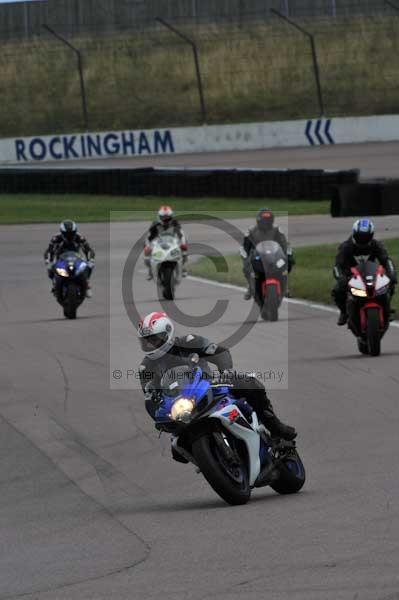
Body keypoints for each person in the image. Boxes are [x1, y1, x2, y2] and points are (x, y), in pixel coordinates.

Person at [138, 311, 297, 452]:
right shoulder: (146, 367)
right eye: (146, 341)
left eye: (154, 339)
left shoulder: (188, 341)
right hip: (180, 406)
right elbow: (150, 396)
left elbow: (219, 351)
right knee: (177, 447)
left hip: (210, 385)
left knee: (248, 383)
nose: (150, 344)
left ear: (167, 333)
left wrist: (225, 371)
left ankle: (275, 426)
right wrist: (158, 416)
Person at [332, 218, 397, 326]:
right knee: (337, 290)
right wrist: (341, 278)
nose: (363, 240)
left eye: (366, 237)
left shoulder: (376, 245)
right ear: (354, 234)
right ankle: (344, 312)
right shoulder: (345, 247)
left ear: (371, 236)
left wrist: (392, 274)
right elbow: (337, 266)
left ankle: (387, 308)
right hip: (351, 277)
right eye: (360, 236)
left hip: (371, 275)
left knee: (389, 284)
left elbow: (386, 260)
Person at [241, 208, 294, 300]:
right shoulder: (251, 231)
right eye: (263, 222)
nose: (265, 224)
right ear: (258, 221)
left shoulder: (277, 230)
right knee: (247, 268)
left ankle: (285, 287)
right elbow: (245, 247)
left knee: (285, 265)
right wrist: (246, 258)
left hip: (274, 255)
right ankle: (250, 287)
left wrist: (288, 255)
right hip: (257, 256)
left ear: (272, 221)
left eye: (268, 222)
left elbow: (285, 244)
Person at [44, 220, 95, 297]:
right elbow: (49, 251)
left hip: (76, 258)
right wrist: (48, 261)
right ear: (62, 233)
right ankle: (55, 283)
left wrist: (90, 260)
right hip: (61, 259)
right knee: (50, 268)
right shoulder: (56, 239)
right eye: (67, 234)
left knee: (88, 266)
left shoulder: (80, 238)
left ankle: (87, 284)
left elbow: (89, 250)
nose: (69, 236)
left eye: (71, 234)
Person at [144, 205, 188, 280]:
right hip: (159, 242)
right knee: (147, 253)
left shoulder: (175, 223)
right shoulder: (155, 224)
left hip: (172, 241)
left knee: (183, 251)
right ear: (159, 217)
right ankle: (150, 270)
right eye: (163, 217)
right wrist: (147, 245)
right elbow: (149, 236)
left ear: (171, 216)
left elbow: (181, 233)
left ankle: (183, 268)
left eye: (167, 217)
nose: (165, 219)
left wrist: (183, 243)